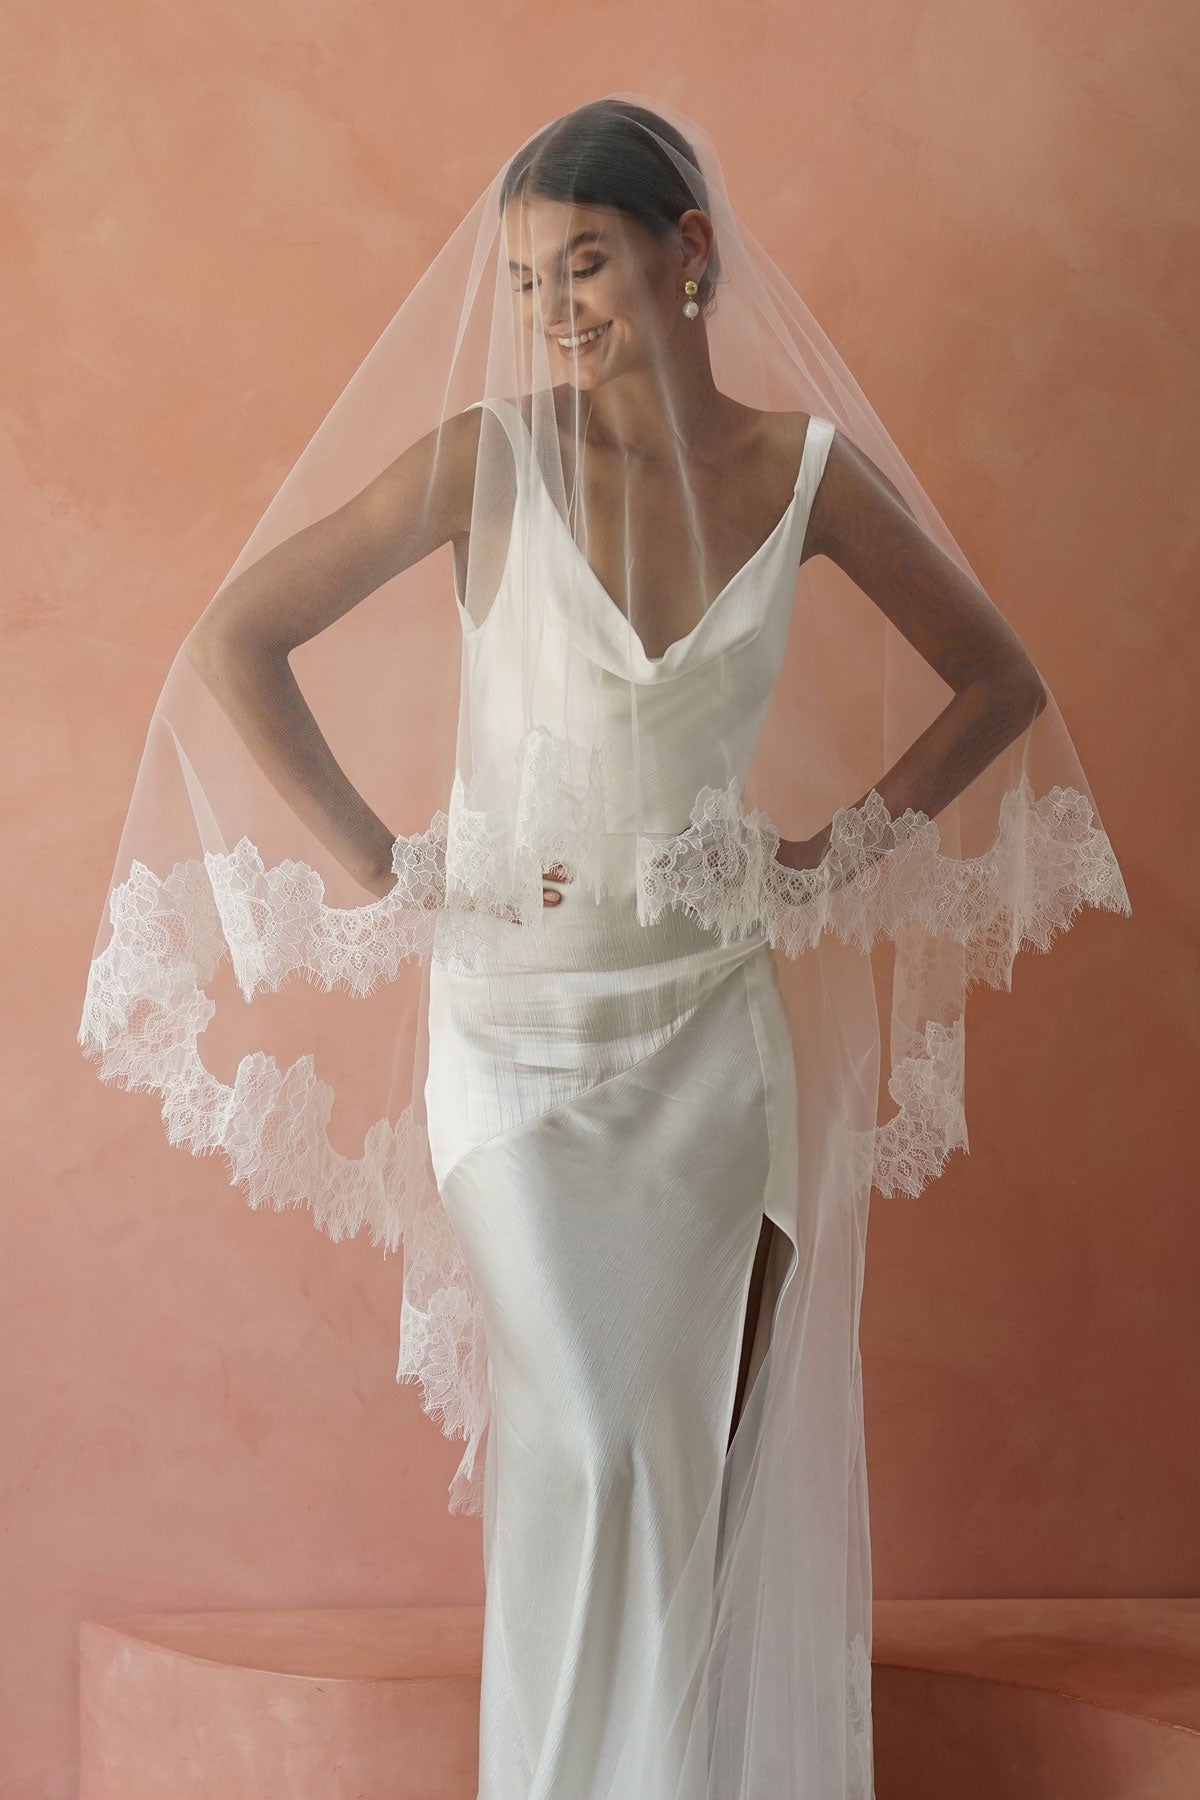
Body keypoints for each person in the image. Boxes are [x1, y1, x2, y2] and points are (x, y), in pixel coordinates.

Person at [78, 94, 1132, 1799]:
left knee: (685, 1471)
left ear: (687, 257)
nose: (555, 307)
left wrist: (827, 853)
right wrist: (388, 863)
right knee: (586, 1440)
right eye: (524, 279)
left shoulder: (801, 476)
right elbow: (238, 639)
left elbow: (999, 684)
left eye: (585, 262)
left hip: (715, 1047)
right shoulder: (485, 462)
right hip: (511, 1047)